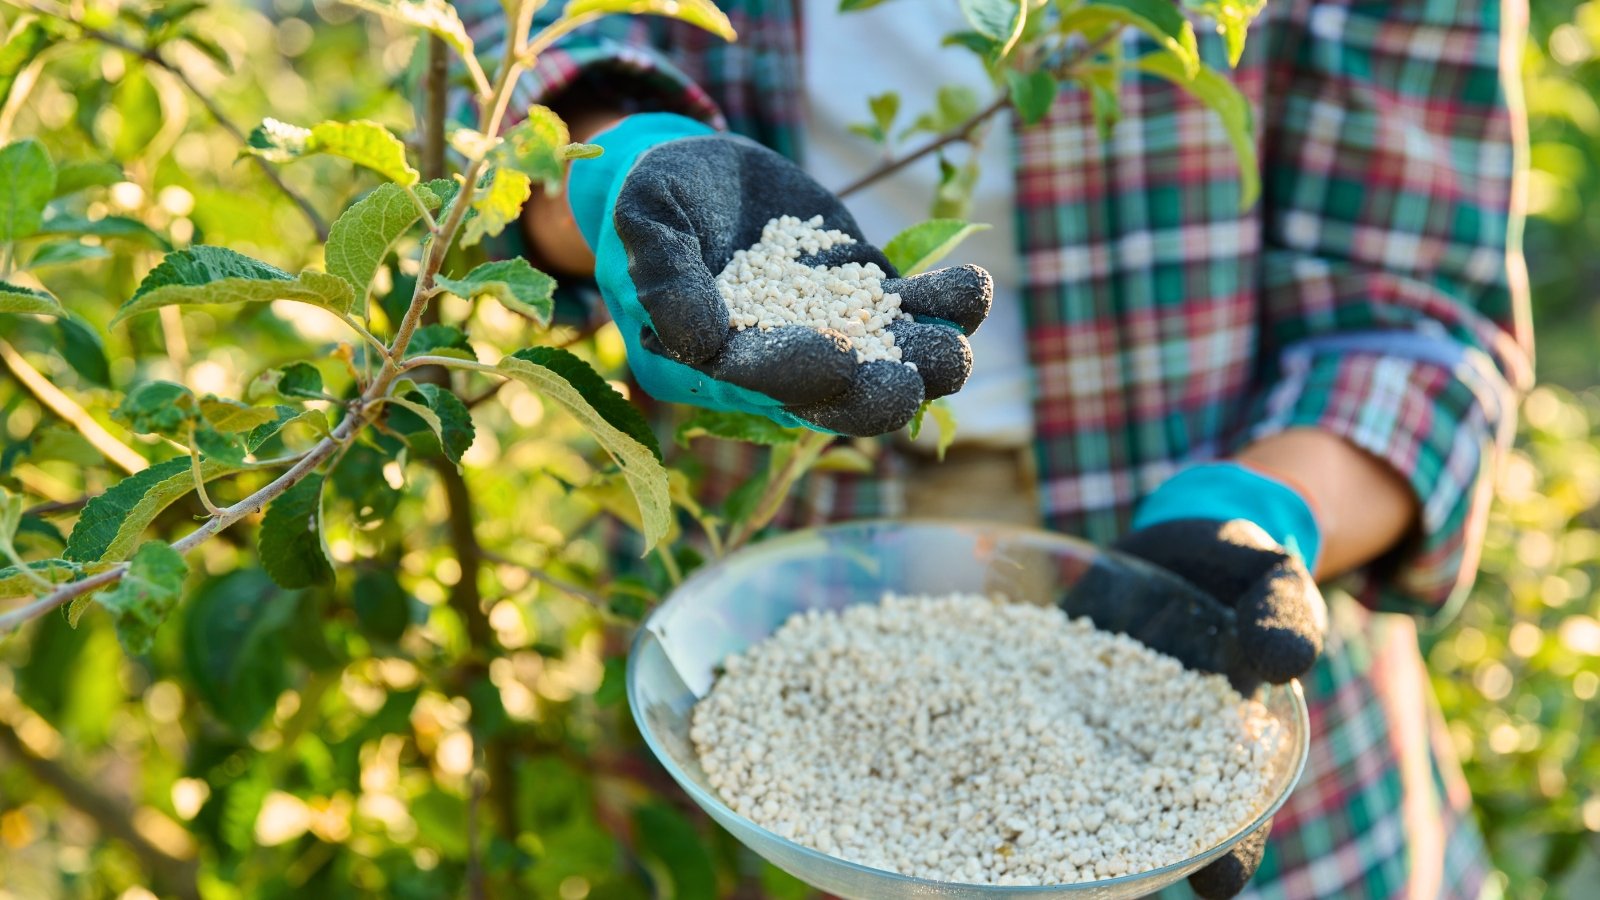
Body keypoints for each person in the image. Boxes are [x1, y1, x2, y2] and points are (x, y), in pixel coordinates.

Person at [459, 0, 1532, 896]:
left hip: (1205, 604)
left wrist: (1266, 508)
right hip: (752, 592)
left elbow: (1417, 320)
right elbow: (528, 58)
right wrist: (613, 172)